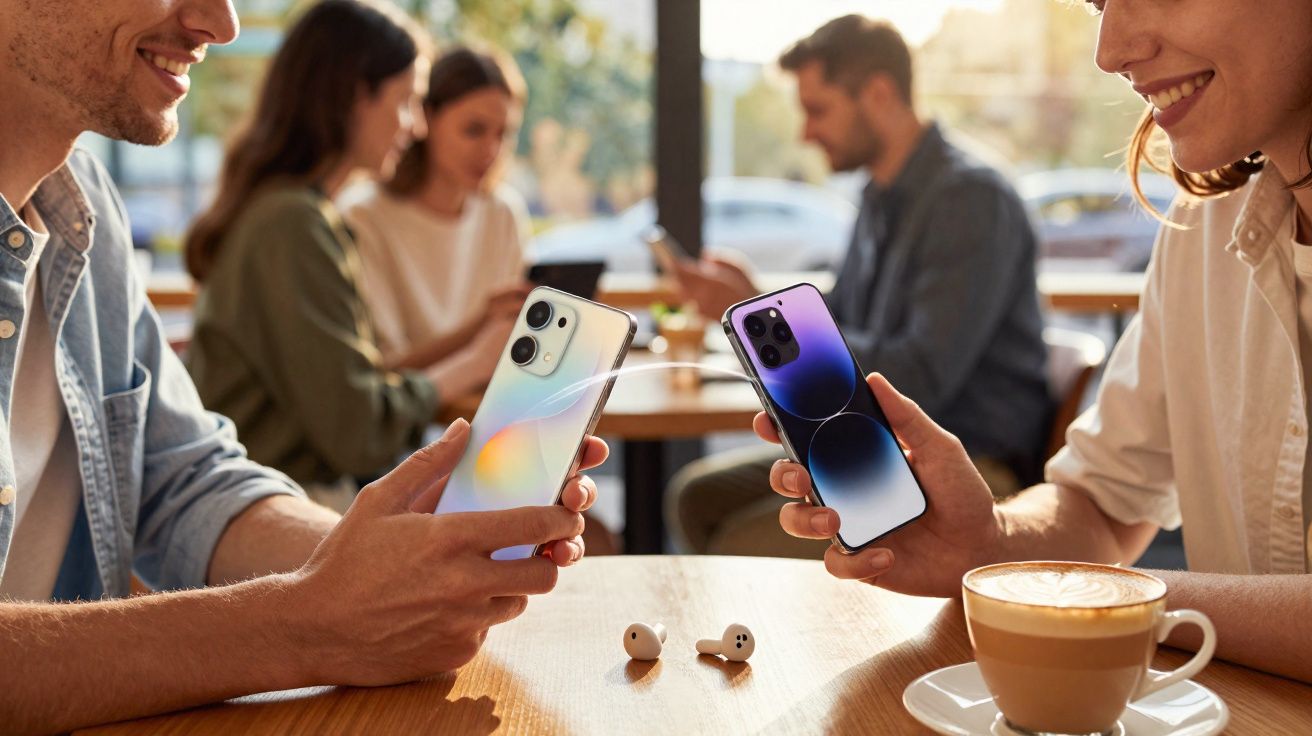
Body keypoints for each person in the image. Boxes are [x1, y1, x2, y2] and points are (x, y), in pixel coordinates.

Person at [0, 1, 606, 731]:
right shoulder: (296, 223)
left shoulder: (85, 206)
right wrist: (303, 623)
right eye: (407, 103)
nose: (220, 23)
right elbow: (350, 418)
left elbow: (186, 481)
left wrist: (395, 568)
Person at [755, 0, 1312, 684]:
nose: (1109, 50)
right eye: (1099, 3)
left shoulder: (968, 198)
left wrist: (1092, 597)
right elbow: (1102, 506)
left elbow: (923, 366)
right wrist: (994, 543)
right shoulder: (1199, 238)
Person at [667, 15, 1051, 556]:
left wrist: (762, 320)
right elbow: (838, 317)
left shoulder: (969, 200)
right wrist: (757, 308)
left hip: (963, 460)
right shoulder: (879, 194)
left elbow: (921, 376)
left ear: (878, 93)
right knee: (695, 497)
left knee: (738, 543)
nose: (805, 132)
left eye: (817, 109)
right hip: (878, 445)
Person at [184, 2, 512, 508]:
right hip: (284, 505)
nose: (416, 127)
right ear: (356, 96)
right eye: (407, 102)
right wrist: (476, 361)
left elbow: (354, 397)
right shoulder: (292, 225)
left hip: (286, 495)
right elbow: (358, 430)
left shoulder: (299, 214)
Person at [344, 46, 532, 368]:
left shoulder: (503, 213)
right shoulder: (363, 216)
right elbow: (384, 370)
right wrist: (480, 325)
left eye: (503, 134)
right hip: (417, 416)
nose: (491, 150)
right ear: (426, 117)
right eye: (474, 130)